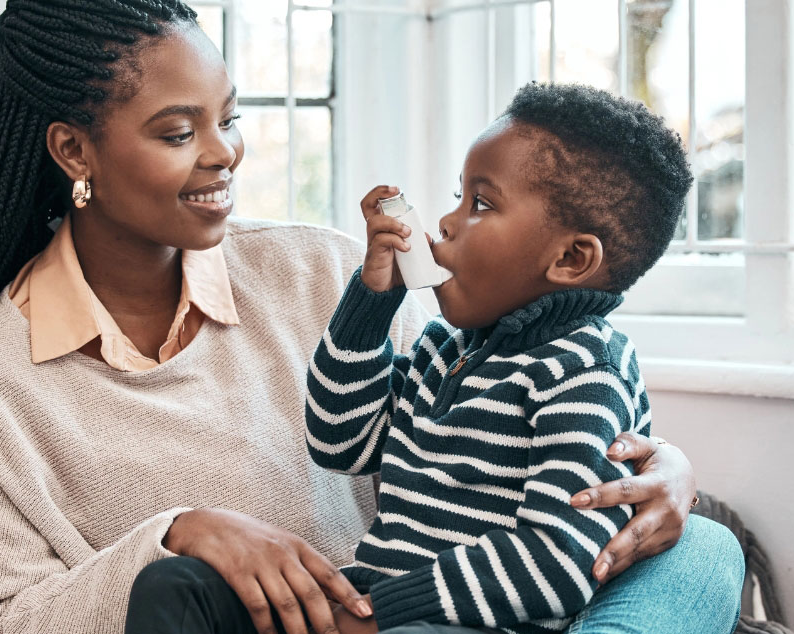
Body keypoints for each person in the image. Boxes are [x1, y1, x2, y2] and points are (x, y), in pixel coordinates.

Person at [0, 0, 742, 634]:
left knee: (704, 549)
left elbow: (479, 427)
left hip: (418, 611)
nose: (225, 154)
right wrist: (174, 535)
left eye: (230, 118)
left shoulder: (314, 265)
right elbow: (2, 618)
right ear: (73, 151)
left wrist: (659, 469)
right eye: (179, 133)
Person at [298, 81, 721, 634]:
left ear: (570, 258)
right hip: (379, 604)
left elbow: (558, 558)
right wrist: (371, 305)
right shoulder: (445, 348)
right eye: (458, 196)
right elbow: (340, 441)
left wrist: (385, 611)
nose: (447, 222)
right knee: (189, 585)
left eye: (481, 203)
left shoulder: (584, 370)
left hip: (459, 623)